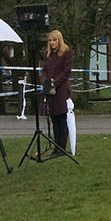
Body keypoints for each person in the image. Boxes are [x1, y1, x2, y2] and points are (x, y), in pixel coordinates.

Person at [42, 29, 73, 158]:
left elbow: (66, 71)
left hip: (61, 90)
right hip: (50, 90)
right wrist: (45, 81)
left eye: (54, 40)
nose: (52, 42)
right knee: (54, 119)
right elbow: (44, 70)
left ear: (59, 40)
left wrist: (55, 82)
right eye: (50, 40)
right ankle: (56, 146)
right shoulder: (48, 55)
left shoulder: (67, 53)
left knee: (61, 119)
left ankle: (62, 147)